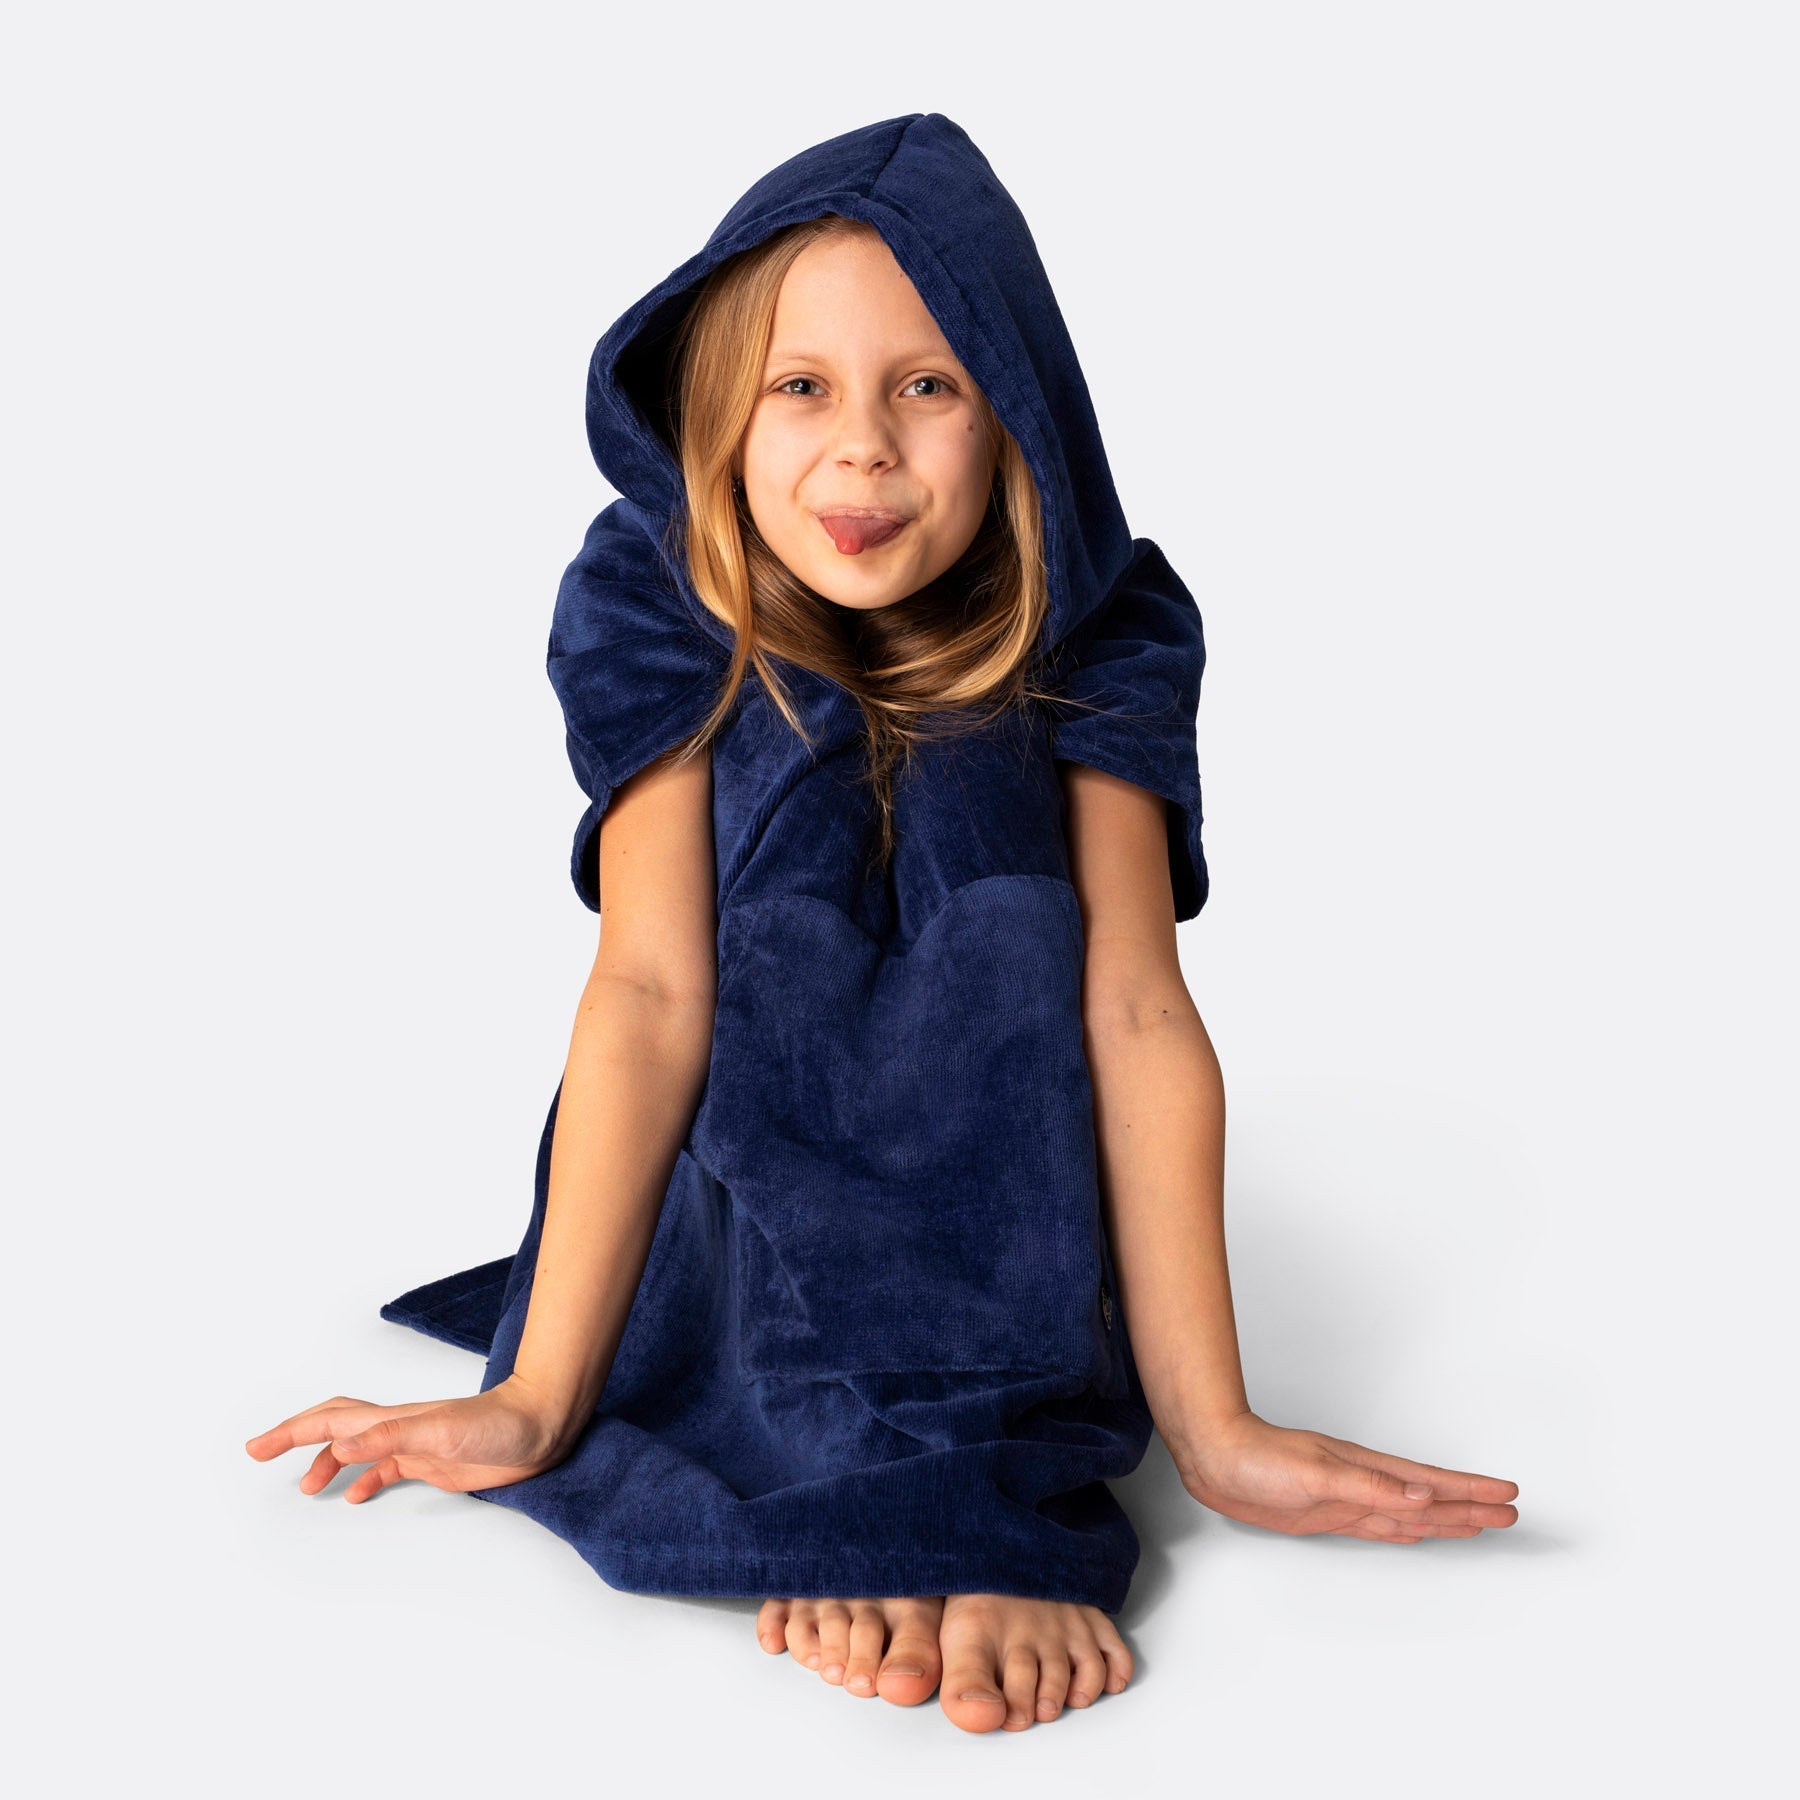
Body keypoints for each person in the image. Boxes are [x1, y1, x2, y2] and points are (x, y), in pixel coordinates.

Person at [245, 113, 1520, 1734]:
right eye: (802, 387)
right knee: (781, 870)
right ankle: (845, 1443)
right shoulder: (660, 601)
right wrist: (540, 1394)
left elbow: (1135, 1009)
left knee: (988, 815)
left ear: (1018, 419)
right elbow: (649, 992)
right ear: (720, 414)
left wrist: (1217, 1430)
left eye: (928, 386)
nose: (863, 451)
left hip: (1007, 1199)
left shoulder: (1102, 626)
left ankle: (962, 1445)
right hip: (740, 1199)